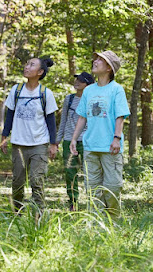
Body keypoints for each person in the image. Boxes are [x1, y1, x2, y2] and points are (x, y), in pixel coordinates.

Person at [70, 50, 130, 219]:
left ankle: (113, 221)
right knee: (92, 188)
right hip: (90, 145)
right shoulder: (89, 91)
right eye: (95, 58)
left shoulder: (116, 89)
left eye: (100, 60)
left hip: (110, 146)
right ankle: (96, 223)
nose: (95, 61)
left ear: (109, 68)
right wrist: (74, 138)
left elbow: (120, 115)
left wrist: (116, 138)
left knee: (112, 187)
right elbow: (82, 116)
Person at [0, 57, 58, 215]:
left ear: (40, 72)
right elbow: (10, 115)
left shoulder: (45, 93)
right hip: (18, 143)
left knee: (36, 181)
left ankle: (38, 215)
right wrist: (4, 136)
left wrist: (53, 144)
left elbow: (51, 121)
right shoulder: (16, 90)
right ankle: (17, 215)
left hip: (39, 144)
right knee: (17, 182)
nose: (26, 66)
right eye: (27, 63)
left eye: (31, 64)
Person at [56, 72, 95, 211]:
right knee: (70, 172)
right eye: (76, 79)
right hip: (68, 140)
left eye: (81, 80)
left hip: (86, 141)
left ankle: (92, 201)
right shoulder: (70, 99)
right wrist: (56, 141)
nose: (76, 82)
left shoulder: (92, 99)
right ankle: (73, 202)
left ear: (88, 84)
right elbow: (63, 121)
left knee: (89, 173)